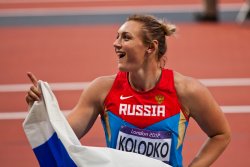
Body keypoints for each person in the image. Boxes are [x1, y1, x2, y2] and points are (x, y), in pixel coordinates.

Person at [25, 14, 231, 167]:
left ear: (150, 47)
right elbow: (64, 138)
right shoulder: (102, 90)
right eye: (117, 37)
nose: (116, 43)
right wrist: (41, 110)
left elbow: (221, 134)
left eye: (126, 37)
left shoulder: (186, 90)